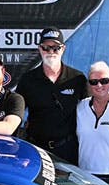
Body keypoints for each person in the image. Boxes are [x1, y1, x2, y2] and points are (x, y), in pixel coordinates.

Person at [16, 27, 87, 164]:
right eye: (46, 48)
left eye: (56, 48)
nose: (51, 52)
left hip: (68, 150)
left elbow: (90, 112)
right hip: (36, 149)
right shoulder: (28, 79)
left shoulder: (77, 78)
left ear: (63, 49)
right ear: (40, 49)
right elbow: (17, 114)